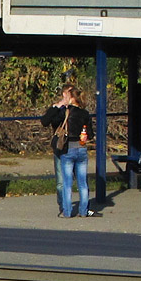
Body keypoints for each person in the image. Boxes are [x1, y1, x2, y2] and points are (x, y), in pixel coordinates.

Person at [39, 84, 98, 218]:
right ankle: (83, 211)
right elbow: (90, 134)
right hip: (81, 148)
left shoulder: (65, 112)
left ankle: (67, 211)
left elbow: (45, 121)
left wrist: (58, 106)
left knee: (66, 183)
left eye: (66, 95)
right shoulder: (85, 113)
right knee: (82, 183)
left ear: (70, 97)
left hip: (66, 148)